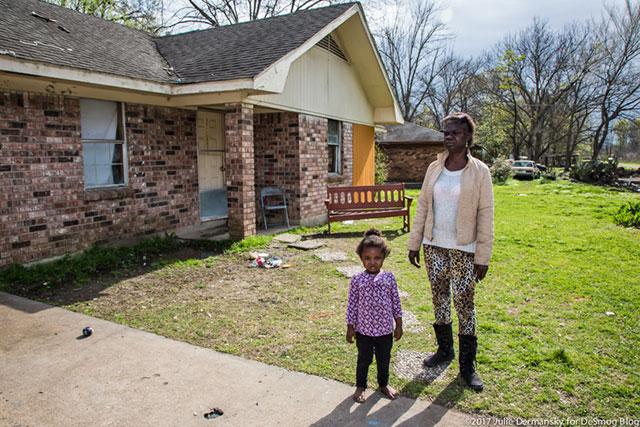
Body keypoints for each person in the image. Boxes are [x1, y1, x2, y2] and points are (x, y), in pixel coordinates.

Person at [407, 112, 494, 392]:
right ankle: (445, 350)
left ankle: (467, 366)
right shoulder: (435, 168)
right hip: (435, 246)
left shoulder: (480, 171)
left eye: (455, 132)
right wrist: (415, 243)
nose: (449, 137)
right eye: (446, 132)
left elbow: (486, 214)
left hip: (465, 250)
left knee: (464, 304)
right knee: (440, 298)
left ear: (469, 137)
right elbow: (422, 205)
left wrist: (483, 255)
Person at [346, 228, 403, 403]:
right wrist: (350, 328)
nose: (372, 262)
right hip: (364, 331)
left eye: (377, 258)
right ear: (361, 259)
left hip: (385, 331)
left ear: (383, 258)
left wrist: (399, 324)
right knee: (363, 360)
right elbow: (352, 306)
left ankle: (383, 384)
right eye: (367, 258)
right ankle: (361, 386)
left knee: (384, 360)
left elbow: (396, 303)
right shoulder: (357, 280)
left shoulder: (389, 278)